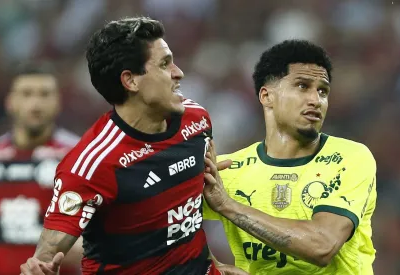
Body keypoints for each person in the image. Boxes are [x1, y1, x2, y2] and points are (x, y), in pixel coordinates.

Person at [19, 17, 246, 275]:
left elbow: (187, 223)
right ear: (131, 81)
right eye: (164, 64)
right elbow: (45, 258)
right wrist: (38, 269)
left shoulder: (197, 120)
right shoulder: (91, 165)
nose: (178, 72)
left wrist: (216, 266)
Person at [202, 39, 377, 275]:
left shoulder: (349, 158)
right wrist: (210, 266)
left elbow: (322, 246)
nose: (316, 100)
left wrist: (228, 206)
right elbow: (162, 218)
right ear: (267, 96)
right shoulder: (229, 169)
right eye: (303, 86)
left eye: (323, 91)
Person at [0, 63, 83, 275]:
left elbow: (98, 227)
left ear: (58, 102)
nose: (35, 103)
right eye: (26, 93)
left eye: (44, 94)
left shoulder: (78, 157)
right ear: (10, 102)